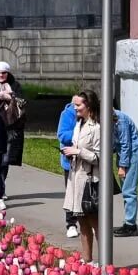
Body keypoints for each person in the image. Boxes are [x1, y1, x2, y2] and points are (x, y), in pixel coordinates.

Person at [62, 88, 102, 263]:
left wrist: (78, 151)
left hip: (90, 180)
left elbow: (99, 157)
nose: (75, 108)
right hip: (76, 177)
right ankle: (87, 261)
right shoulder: (79, 124)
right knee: (81, 221)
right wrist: (70, 153)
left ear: (88, 106)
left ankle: (104, 261)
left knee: (95, 222)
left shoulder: (98, 127)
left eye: (78, 105)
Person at [0, 61, 26, 193]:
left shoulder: (15, 85)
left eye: (3, 73)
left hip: (10, 127)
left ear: (8, 73)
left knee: (5, 159)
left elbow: (22, 103)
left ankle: (0, 188)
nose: (1, 75)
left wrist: (8, 97)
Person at [113, 107, 138, 237]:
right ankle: (128, 222)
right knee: (126, 189)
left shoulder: (121, 119)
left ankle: (131, 226)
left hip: (132, 155)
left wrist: (122, 166)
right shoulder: (110, 119)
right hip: (123, 154)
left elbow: (126, 144)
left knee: (129, 190)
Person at [57, 96, 80, 239]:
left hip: (89, 160)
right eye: (75, 105)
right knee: (71, 192)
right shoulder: (68, 114)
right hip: (71, 161)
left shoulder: (94, 115)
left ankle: (90, 222)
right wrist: (80, 132)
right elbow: (62, 135)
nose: (77, 108)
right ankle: (71, 223)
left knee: (90, 193)